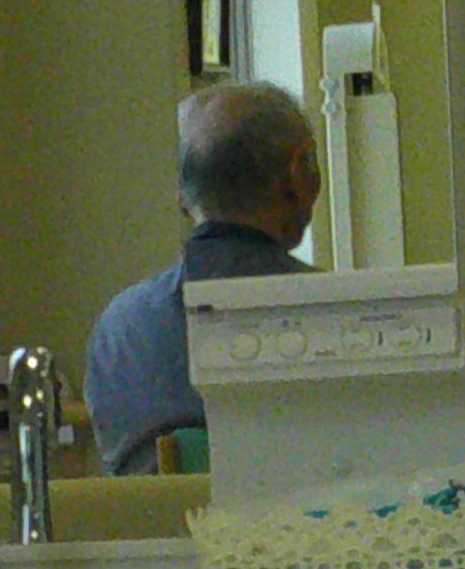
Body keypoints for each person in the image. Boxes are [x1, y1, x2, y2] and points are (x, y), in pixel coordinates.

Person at [82, 81, 322, 473]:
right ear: (299, 174)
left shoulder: (120, 328)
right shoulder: (335, 314)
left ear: (183, 196)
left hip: (161, 514)